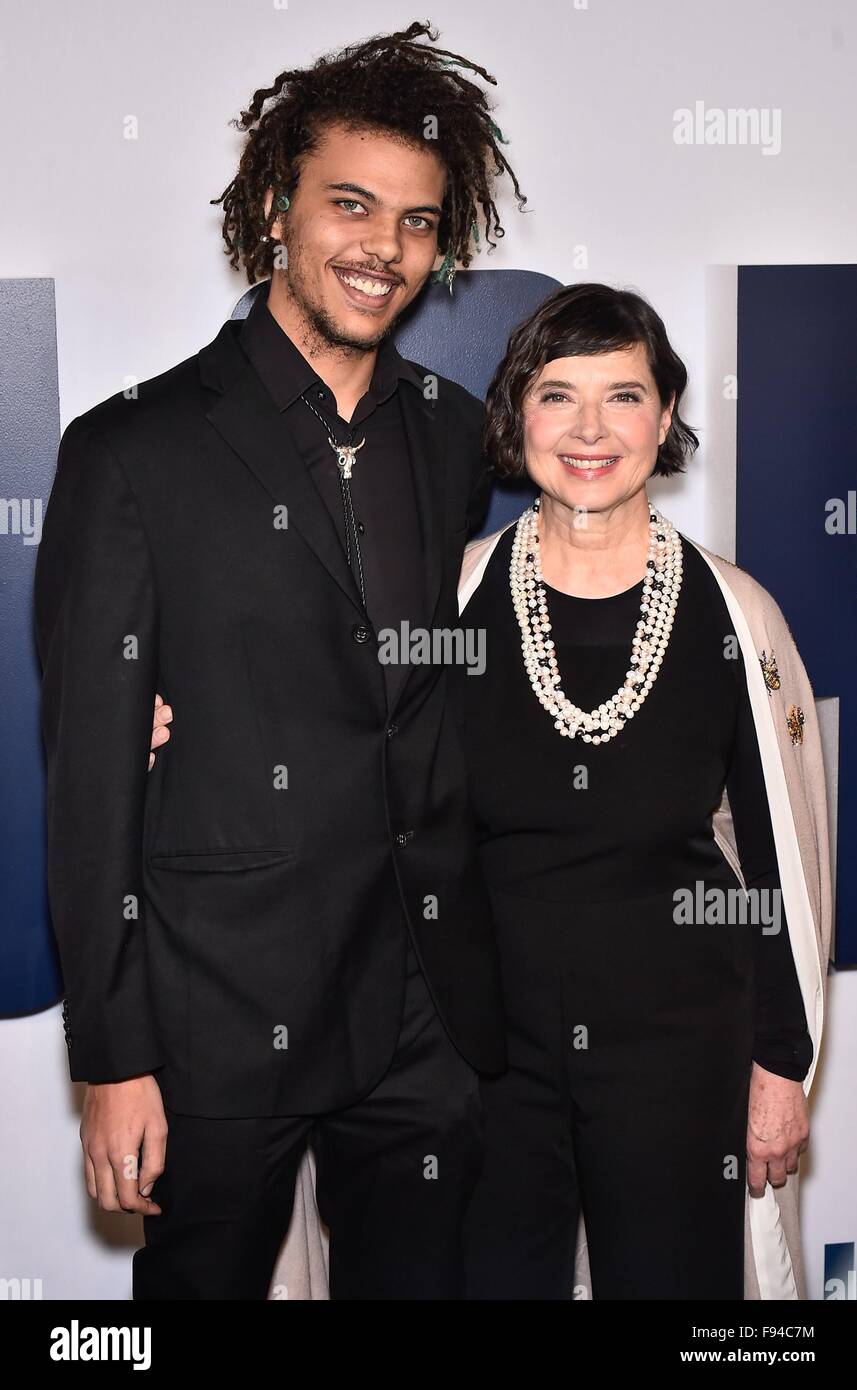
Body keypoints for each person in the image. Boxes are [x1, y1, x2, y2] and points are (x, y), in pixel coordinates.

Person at [33, 21, 529, 1301]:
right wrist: (113, 1053)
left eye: (418, 221)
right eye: (350, 205)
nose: (383, 249)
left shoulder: (450, 435)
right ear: (274, 207)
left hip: (424, 1016)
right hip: (211, 1015)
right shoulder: (129, 452)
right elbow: (92, 782)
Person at [455, 282, 831, 1299]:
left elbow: (779, 861)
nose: (588, 429)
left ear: (663, 417)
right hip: (486, 1065)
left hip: (682, 1058)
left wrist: (779, 1070)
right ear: (514, 413)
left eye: (622, 396)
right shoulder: (451, 600)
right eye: (556, 393)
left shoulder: (734, 612)